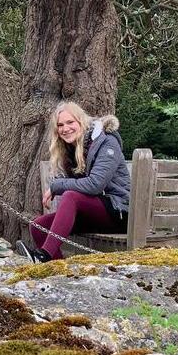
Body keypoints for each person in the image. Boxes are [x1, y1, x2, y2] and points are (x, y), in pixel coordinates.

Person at [16, 102, 130, 262]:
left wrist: (56, 187)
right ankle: (56, 272)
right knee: (38, 225)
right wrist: (60, 183)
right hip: (94, 213)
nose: (65, 128)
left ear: (81, 122)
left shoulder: (106, 142)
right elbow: (75, 183)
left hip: (119, 212)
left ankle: (44, 256)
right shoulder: (72, 148)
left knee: (71, 196)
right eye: (60, 125)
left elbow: (95, 185)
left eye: (70, 122)